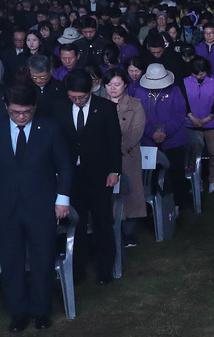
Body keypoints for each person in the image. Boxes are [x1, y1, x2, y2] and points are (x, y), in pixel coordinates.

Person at [0, 83, 72, 332]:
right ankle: (18, 312)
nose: (22, 116)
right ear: (6, 107)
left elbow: (65, 165)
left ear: (34, 107)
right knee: (12, 261)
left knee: (43, 259)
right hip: (5, 208)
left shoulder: (50, 128)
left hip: (42, 206)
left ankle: (41, 310)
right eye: (16, 112)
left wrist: (62, 199)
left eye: (27, 111)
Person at [50, 70, 123, 286]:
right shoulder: (58, 108)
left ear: (91, 90)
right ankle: (77, 269)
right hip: (71, 176)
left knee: (102, 222)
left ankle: (105, 270)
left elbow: (114, 142)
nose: (78, 101)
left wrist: (114, 171)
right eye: (73, 97)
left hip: (100, 175)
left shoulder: (106, 108)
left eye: (82, 97)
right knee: (76, 224)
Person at [103, 68, 148, 247]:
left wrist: (116, 147)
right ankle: (112, 232)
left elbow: (137, 131)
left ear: (125, 85)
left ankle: (129, 234)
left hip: (128, 156)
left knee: (132, 195)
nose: (113, 88)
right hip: (106, 157)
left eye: (117, 84)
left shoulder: (135, 105)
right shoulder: (100, 104)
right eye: (109, 84)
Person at [140, 63, 192, 213]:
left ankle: (177, 206)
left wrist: (165, 131)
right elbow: (139, 116)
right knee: (151, 175)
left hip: (174, 139)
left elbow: (179, 114)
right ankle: (152, 210)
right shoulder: (140, 93)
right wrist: (152, 133)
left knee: (175, 173)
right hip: (148, 141)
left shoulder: (175, 90)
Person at [184, 56, 214, 193]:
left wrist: (207, 119)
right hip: (191, 123)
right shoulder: (185, 82)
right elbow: (183, 101)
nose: (199, 76)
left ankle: (213, 182)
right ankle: (195, 181)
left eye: (202, 73)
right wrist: (192, 117)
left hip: (213, 124)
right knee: (193, 154)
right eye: (196, 73)